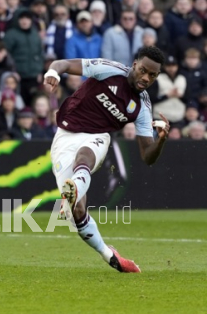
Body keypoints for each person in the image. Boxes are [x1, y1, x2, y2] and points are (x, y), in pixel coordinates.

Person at [43, 46, 169, 273]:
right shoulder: (108, 70)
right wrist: (52, 72)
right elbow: (62, 64)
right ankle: (110, 255)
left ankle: (73, 190)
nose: (146, 78)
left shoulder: (142, 106)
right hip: (65, 137)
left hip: (97, 137)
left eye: (152, 75)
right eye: (143, 70)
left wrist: (160, 141)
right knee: (77, 213)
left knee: (85, 155)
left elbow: (147, 156)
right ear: (134, 65)